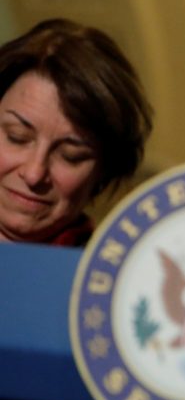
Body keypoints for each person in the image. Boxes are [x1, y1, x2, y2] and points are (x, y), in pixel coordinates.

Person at [0, 18, 152, 246]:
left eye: (71, 156)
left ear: (103, 173)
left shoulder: (113, 279)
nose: (34, 174)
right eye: (17, 137)